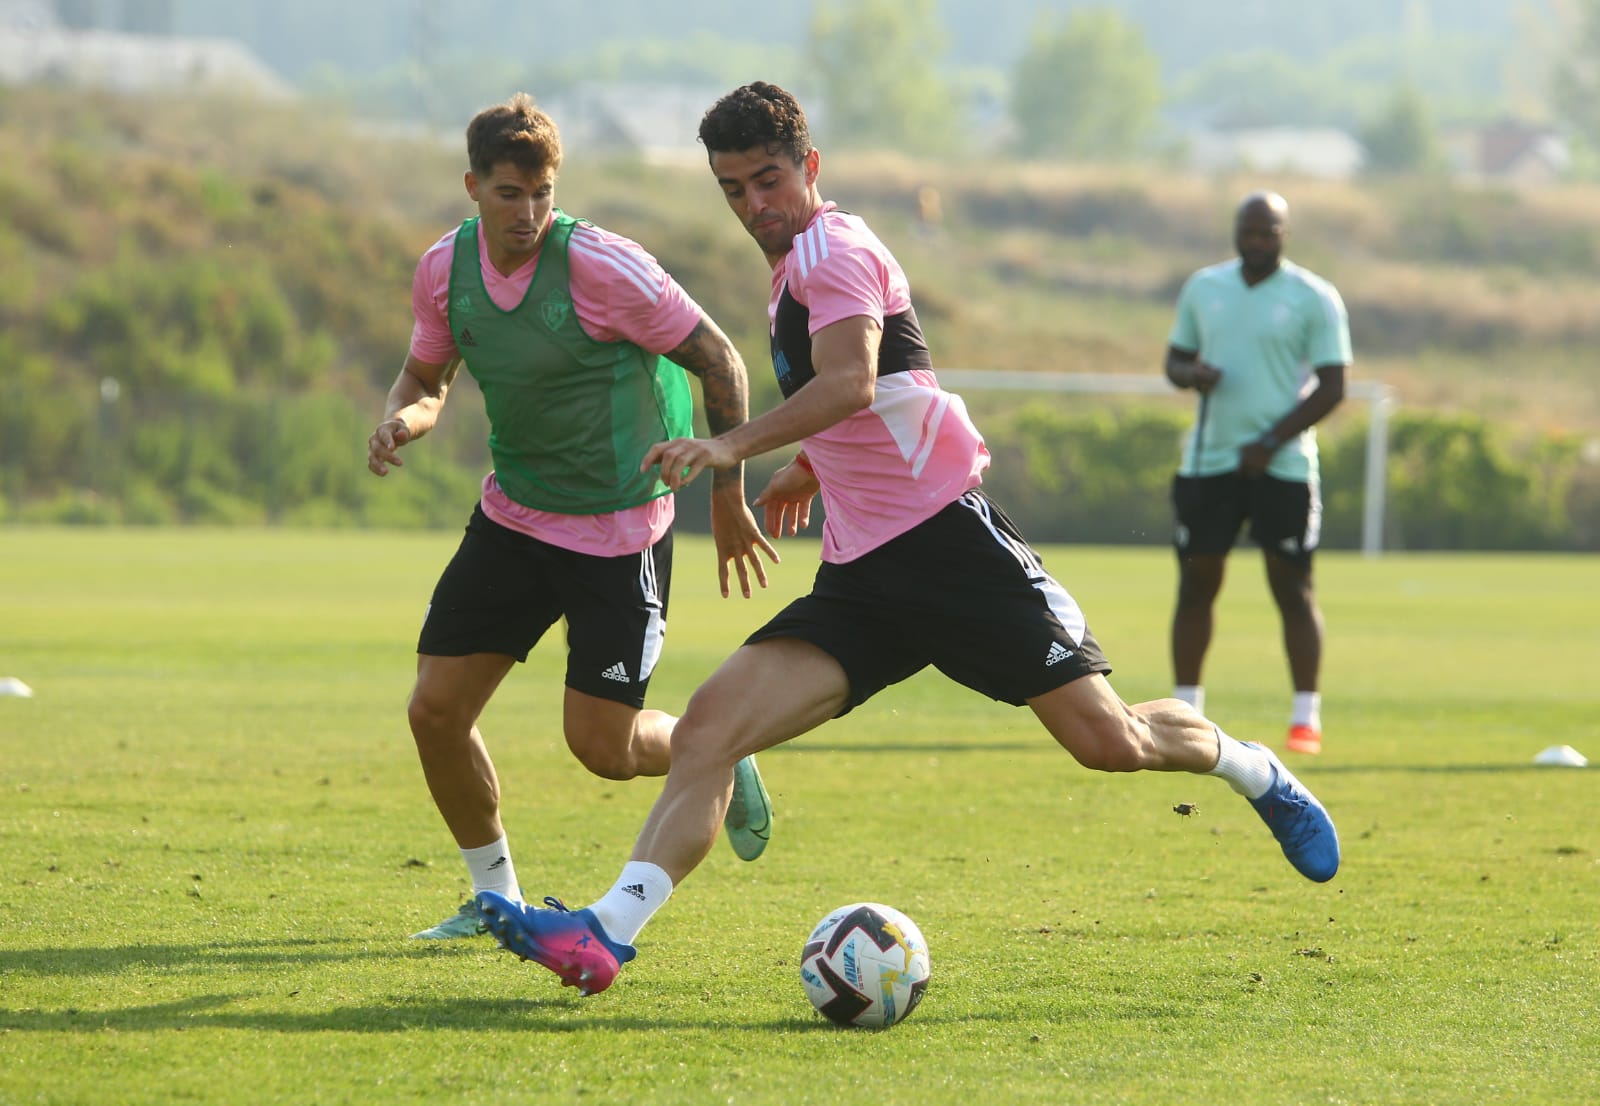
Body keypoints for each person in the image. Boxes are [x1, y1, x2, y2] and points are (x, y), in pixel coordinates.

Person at [472, 82, 1340, 997]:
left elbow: (850, 381)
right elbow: (890, 393)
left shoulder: (835, 251)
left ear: (809, 168)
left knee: (1110, 742)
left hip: (953, 554)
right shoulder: (792, 268)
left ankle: (1255, 768)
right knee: (709, 731)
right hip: (866, 579)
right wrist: (814, 467)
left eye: (767, 180)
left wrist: (731, 442)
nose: (752, 205)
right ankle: (607, 934)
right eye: (732, 189)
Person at [365, 92, 780, 941]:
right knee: (434, 712)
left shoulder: (604, 266)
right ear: (473, 186)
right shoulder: (444, 270)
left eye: (542, 193)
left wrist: (727, 489)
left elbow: (719, 360)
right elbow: (427, 379)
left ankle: (718, 755)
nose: (528, 213)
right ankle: (495, 898)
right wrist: (404, 418)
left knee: (604, 749)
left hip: (620, 529)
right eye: (510, 193)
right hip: (516, 515)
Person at [1163, 191, 1351, 757]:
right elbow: (1173, 361)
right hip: (1210, 459)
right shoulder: (1204, 287)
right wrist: (1192, 372)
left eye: (1268, 231)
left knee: (1292, 588)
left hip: (1284, 467)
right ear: (1236, 230)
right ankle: (1186, 711)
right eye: (1249, 229)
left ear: (1285, 234)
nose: (1257, 239)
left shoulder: (1313, 297)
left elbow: (1334, 385)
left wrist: (1271, 442)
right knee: (1197, 584)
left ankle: (1304, 718)